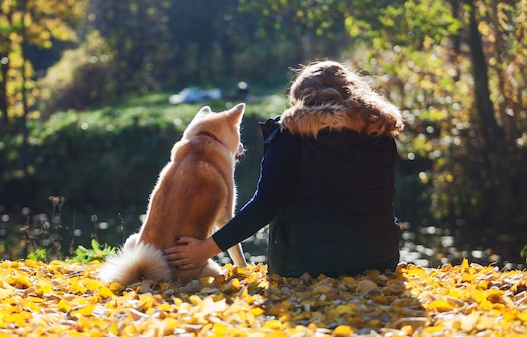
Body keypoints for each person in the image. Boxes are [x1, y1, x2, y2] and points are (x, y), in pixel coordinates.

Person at [163, 60, 404, 277]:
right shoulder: (380, 132)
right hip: (381, 260)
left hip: (309, 267)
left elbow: (264, 206)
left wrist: (204, 249)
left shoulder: (290, 136)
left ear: (302, 98)